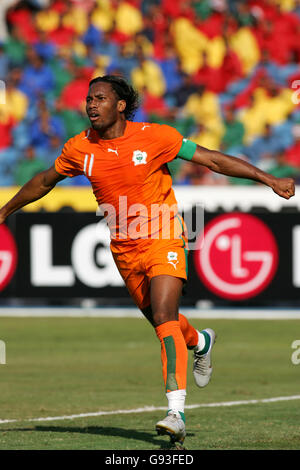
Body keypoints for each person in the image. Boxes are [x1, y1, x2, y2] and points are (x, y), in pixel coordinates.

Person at [0, 75, 295, 447]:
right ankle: (201, 341)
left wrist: (267, 178)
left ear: (120, 105)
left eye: (100, 98)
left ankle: (176, 412)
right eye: (89, 99)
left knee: (163, 317)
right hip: (124, 248)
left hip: (165, 236)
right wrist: (5, 211)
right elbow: (45, 181)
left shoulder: (155, 137)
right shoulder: (79, 148)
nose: (91, 105)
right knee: (162, 320)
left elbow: (213, 160)